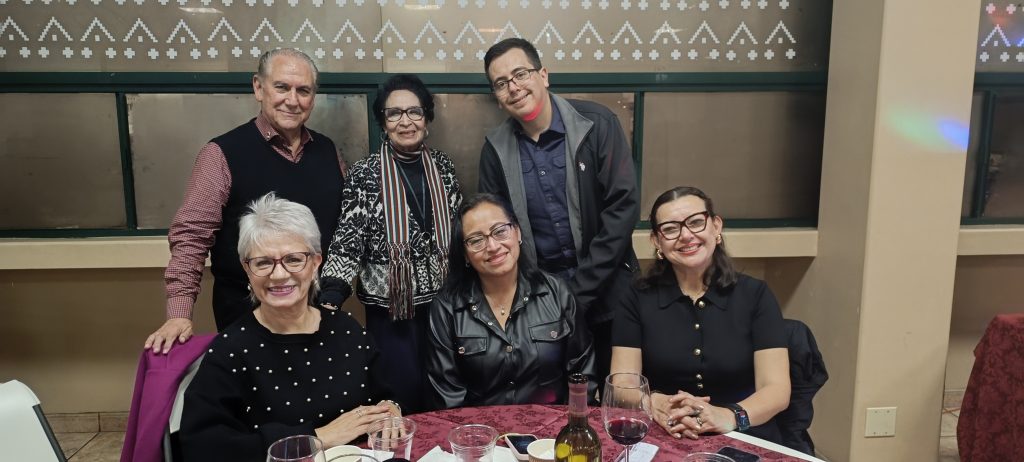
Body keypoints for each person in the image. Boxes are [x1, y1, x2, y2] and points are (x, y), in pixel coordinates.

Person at [145, 48, 344, 353]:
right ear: (258, 88)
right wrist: (179, 314)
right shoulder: (221, 154)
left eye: (303, 91)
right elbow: (191, 237)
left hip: (317, 317)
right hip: (246, 321)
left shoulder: (328, 151)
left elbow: (347, 232)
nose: (292, 100)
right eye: (282, 87)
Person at [179, 193, 400, 460]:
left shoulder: (348, 330)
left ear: (316, 263)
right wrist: (316, 437)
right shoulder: (230, 350)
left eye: (294, 259)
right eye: (263, 262)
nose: (280, 274)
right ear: (246, 269)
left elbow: (384, 396)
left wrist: (390, 409)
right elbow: (202, 446)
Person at [479, 38, 639, 383]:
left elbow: (622, 207)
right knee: (552, 398)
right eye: (501, 83)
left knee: (620, 394)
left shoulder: (596, 124)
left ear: (544, 75)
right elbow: (496, 228)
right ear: (497, 95)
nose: (513, 87)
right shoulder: (495, 149)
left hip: (610, 290)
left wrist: (578, 291)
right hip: (541, 302)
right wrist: (542, 298)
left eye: (520, 74)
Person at [319, 74, 462, 412]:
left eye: (414, 111)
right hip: (392, 313)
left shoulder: (443, 167)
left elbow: (460, 229)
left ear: (426, 117)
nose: (405, 121)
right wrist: (331, 296)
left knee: (445, 390)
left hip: (445, 306)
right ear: (383, 122)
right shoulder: (364, 173)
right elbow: (348, 238)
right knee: (401, 396)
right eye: (394, 113)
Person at [610, 186, 791, 444]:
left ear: (716, 227)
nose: (686, 235)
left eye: (696, 222)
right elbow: (623, 380)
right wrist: (653, 401)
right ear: (656, 241)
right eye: (670, 229)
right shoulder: (636, 297)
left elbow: (776, 390)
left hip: (742, 434)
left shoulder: (756, 295)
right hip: (663, 431)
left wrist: (727, 416)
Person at [427, 193, 595, 409]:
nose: (492, 246)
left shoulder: (557, 293)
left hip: (552, 427)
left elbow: (582, 379)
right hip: (478, 430)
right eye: (476, 240)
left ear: (518, 232)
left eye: (500, 231)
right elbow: (448, 399)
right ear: (465, 254)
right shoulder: (447, 308)